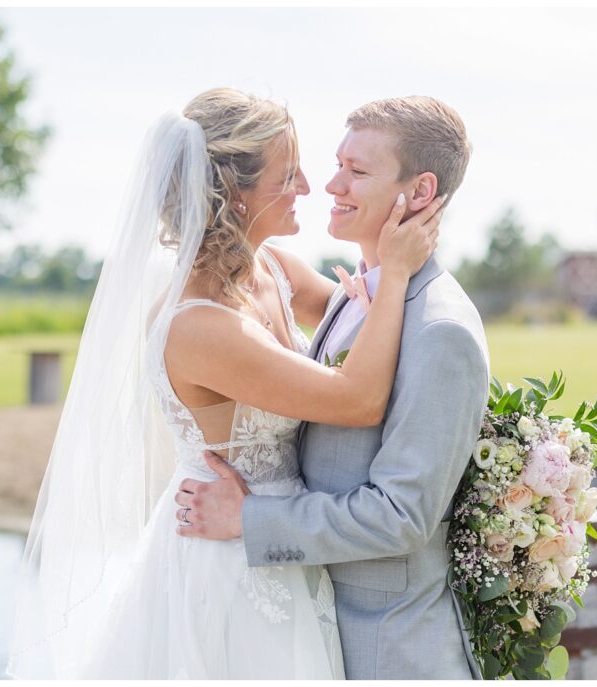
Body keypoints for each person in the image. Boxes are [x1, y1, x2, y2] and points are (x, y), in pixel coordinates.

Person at [5, 88, 444, 679]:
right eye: (288, 176)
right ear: (236, 197)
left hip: (278, 540)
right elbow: (357, 400)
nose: (310, 189)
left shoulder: (275, 268)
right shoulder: (200, 327)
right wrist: (394, 273)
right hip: (229, 563)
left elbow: (355, 318)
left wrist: (391, 251)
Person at [175, 96, 491, 680]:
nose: (327, 184)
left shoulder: (440, 329)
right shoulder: (363, 293)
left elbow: (402, 514)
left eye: (358, 170)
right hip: (293, 612)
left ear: (419, 193)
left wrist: (252, 520)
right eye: (335, 162)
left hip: (386, 645)